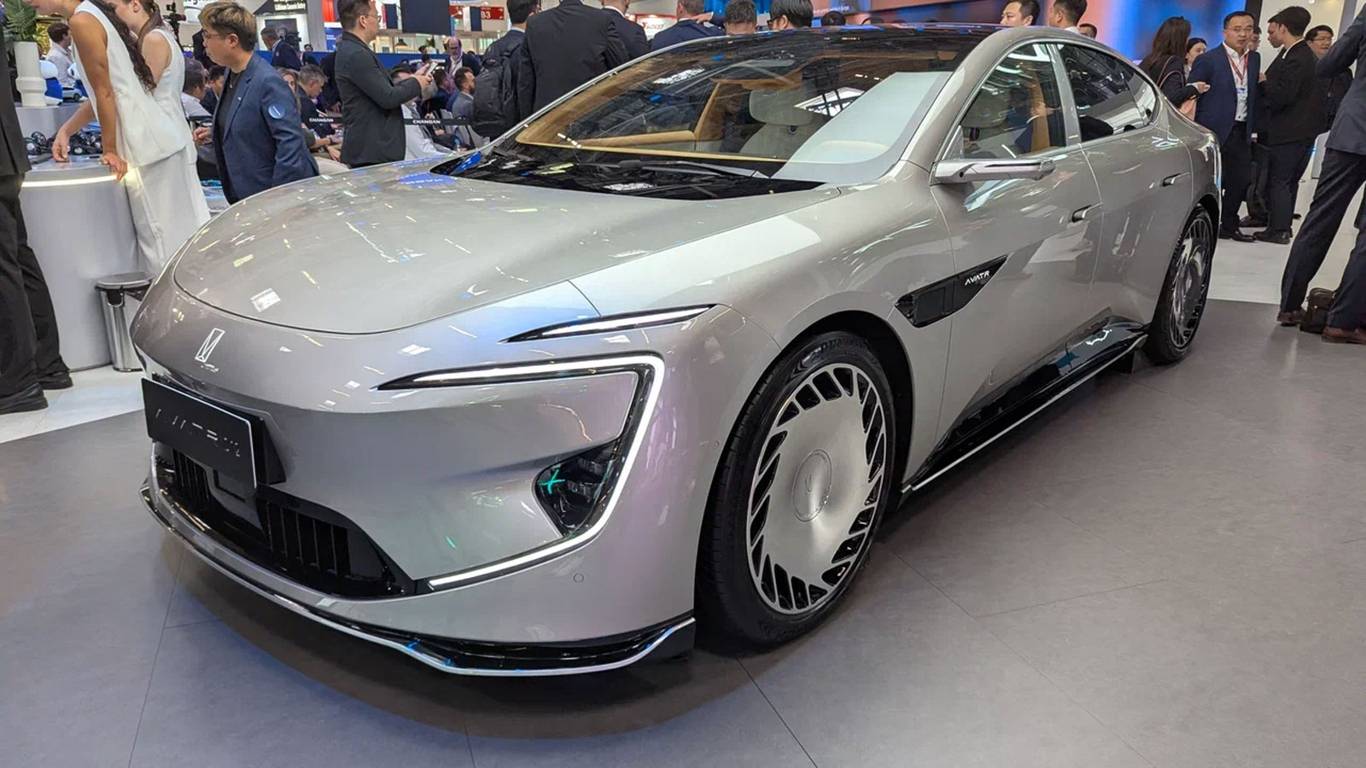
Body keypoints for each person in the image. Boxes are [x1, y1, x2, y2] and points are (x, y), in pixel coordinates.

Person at [39, 0, 205, 273]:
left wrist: (110, 149)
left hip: (145, 144)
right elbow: (113, 89)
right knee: (177, 241)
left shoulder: (83, 20)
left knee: (163, 248)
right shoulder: (94, 16)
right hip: (159, 140)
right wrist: (67, 130)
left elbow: (107, 92)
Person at [1278, 5, 1366, 342]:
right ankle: (1343, 321)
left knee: (1320, 219)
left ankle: (1289, 306)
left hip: (1352, 130)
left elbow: (1329, 64)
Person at [0, 24, 70, 414]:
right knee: (17, 258)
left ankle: (16, 382)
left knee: (6, 264)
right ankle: (46, 366)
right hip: (7, 153)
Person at [194, 1, 316, 202]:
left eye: (207, 35)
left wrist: (276, 199)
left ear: (232, 40)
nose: (204, 42)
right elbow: (249, 120)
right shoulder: (232, 74)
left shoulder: (267, 82)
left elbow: (290, 144)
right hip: (246, 192)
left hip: (270, 195)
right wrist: (218, 130)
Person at [1252, 6, 1323, 245]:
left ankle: (1279, 229)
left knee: (1280, 180)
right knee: (1288, 181)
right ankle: (1281, 226)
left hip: (1290, 131)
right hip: (1301, 130)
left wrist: (1264, 82)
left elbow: (1283, 95)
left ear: (1283, 27)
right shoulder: (1300, 54)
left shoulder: (1297, 57)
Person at [1190, 11, 1261, 242]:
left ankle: (1229, 225)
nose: (1243, 34)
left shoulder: (1254, 59)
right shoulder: (1208, 59)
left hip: (1241, 129)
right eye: (1237, 29)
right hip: (1213, 129)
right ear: (1225, 32)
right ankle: (1201, 225)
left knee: (1239, 180)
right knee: (1208, 180)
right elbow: (1193, 96)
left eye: (1248, 29)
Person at [335, 0, 431, 167]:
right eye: (376, 17)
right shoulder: (357, 54)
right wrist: (416, 83)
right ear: (363, 20)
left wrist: (413, 79)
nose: (378, 22)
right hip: (371, 151)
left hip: (371, 150)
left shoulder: (354, 50)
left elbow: (380, 91)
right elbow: (388, 97)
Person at [514, 0, 625, 118]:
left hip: (547, 116)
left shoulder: (535, 23)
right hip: (591, 112)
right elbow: (621, 66)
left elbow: (526, 82)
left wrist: (527, 120)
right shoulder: (602, 19)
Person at [1140, 17, 1210, 108]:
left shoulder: (1149, 59)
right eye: (1186, 37)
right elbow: (1172, 97)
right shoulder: (1173, 62)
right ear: (1180, 40)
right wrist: (1194, 88)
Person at [1309, 25, 1352, 130]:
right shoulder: (1303, 66)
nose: (1327, 43)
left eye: (1329, 39)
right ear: (1309, 43)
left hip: (1333, 121)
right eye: (1322, 39)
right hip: (1307, 120)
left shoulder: (1342, 69)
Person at [652, 0, 724, 50]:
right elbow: (730, 26)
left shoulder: (660, 38)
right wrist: (713, 17)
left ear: (680, 7)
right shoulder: (714, 35)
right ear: (702, 9)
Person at [45, 22, 76, 89]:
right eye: (70, 34)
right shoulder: (56, 56)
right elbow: (62, 82)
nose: (72, 37)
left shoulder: (67, 52)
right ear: (64, 36)